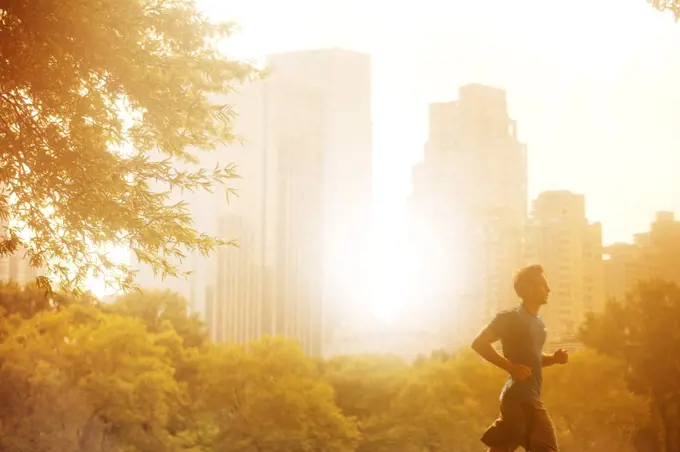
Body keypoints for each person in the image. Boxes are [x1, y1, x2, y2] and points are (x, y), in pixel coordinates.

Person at [471, 264, 568, 452]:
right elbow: (479, 343)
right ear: (528, 288)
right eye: (543, 285)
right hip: (521, 399)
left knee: (501, 448)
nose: (549, 289)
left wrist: (553, 359)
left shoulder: (538, 323)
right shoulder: (510, 318)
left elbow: (533, 359)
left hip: (520, 399)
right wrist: (510, 367)